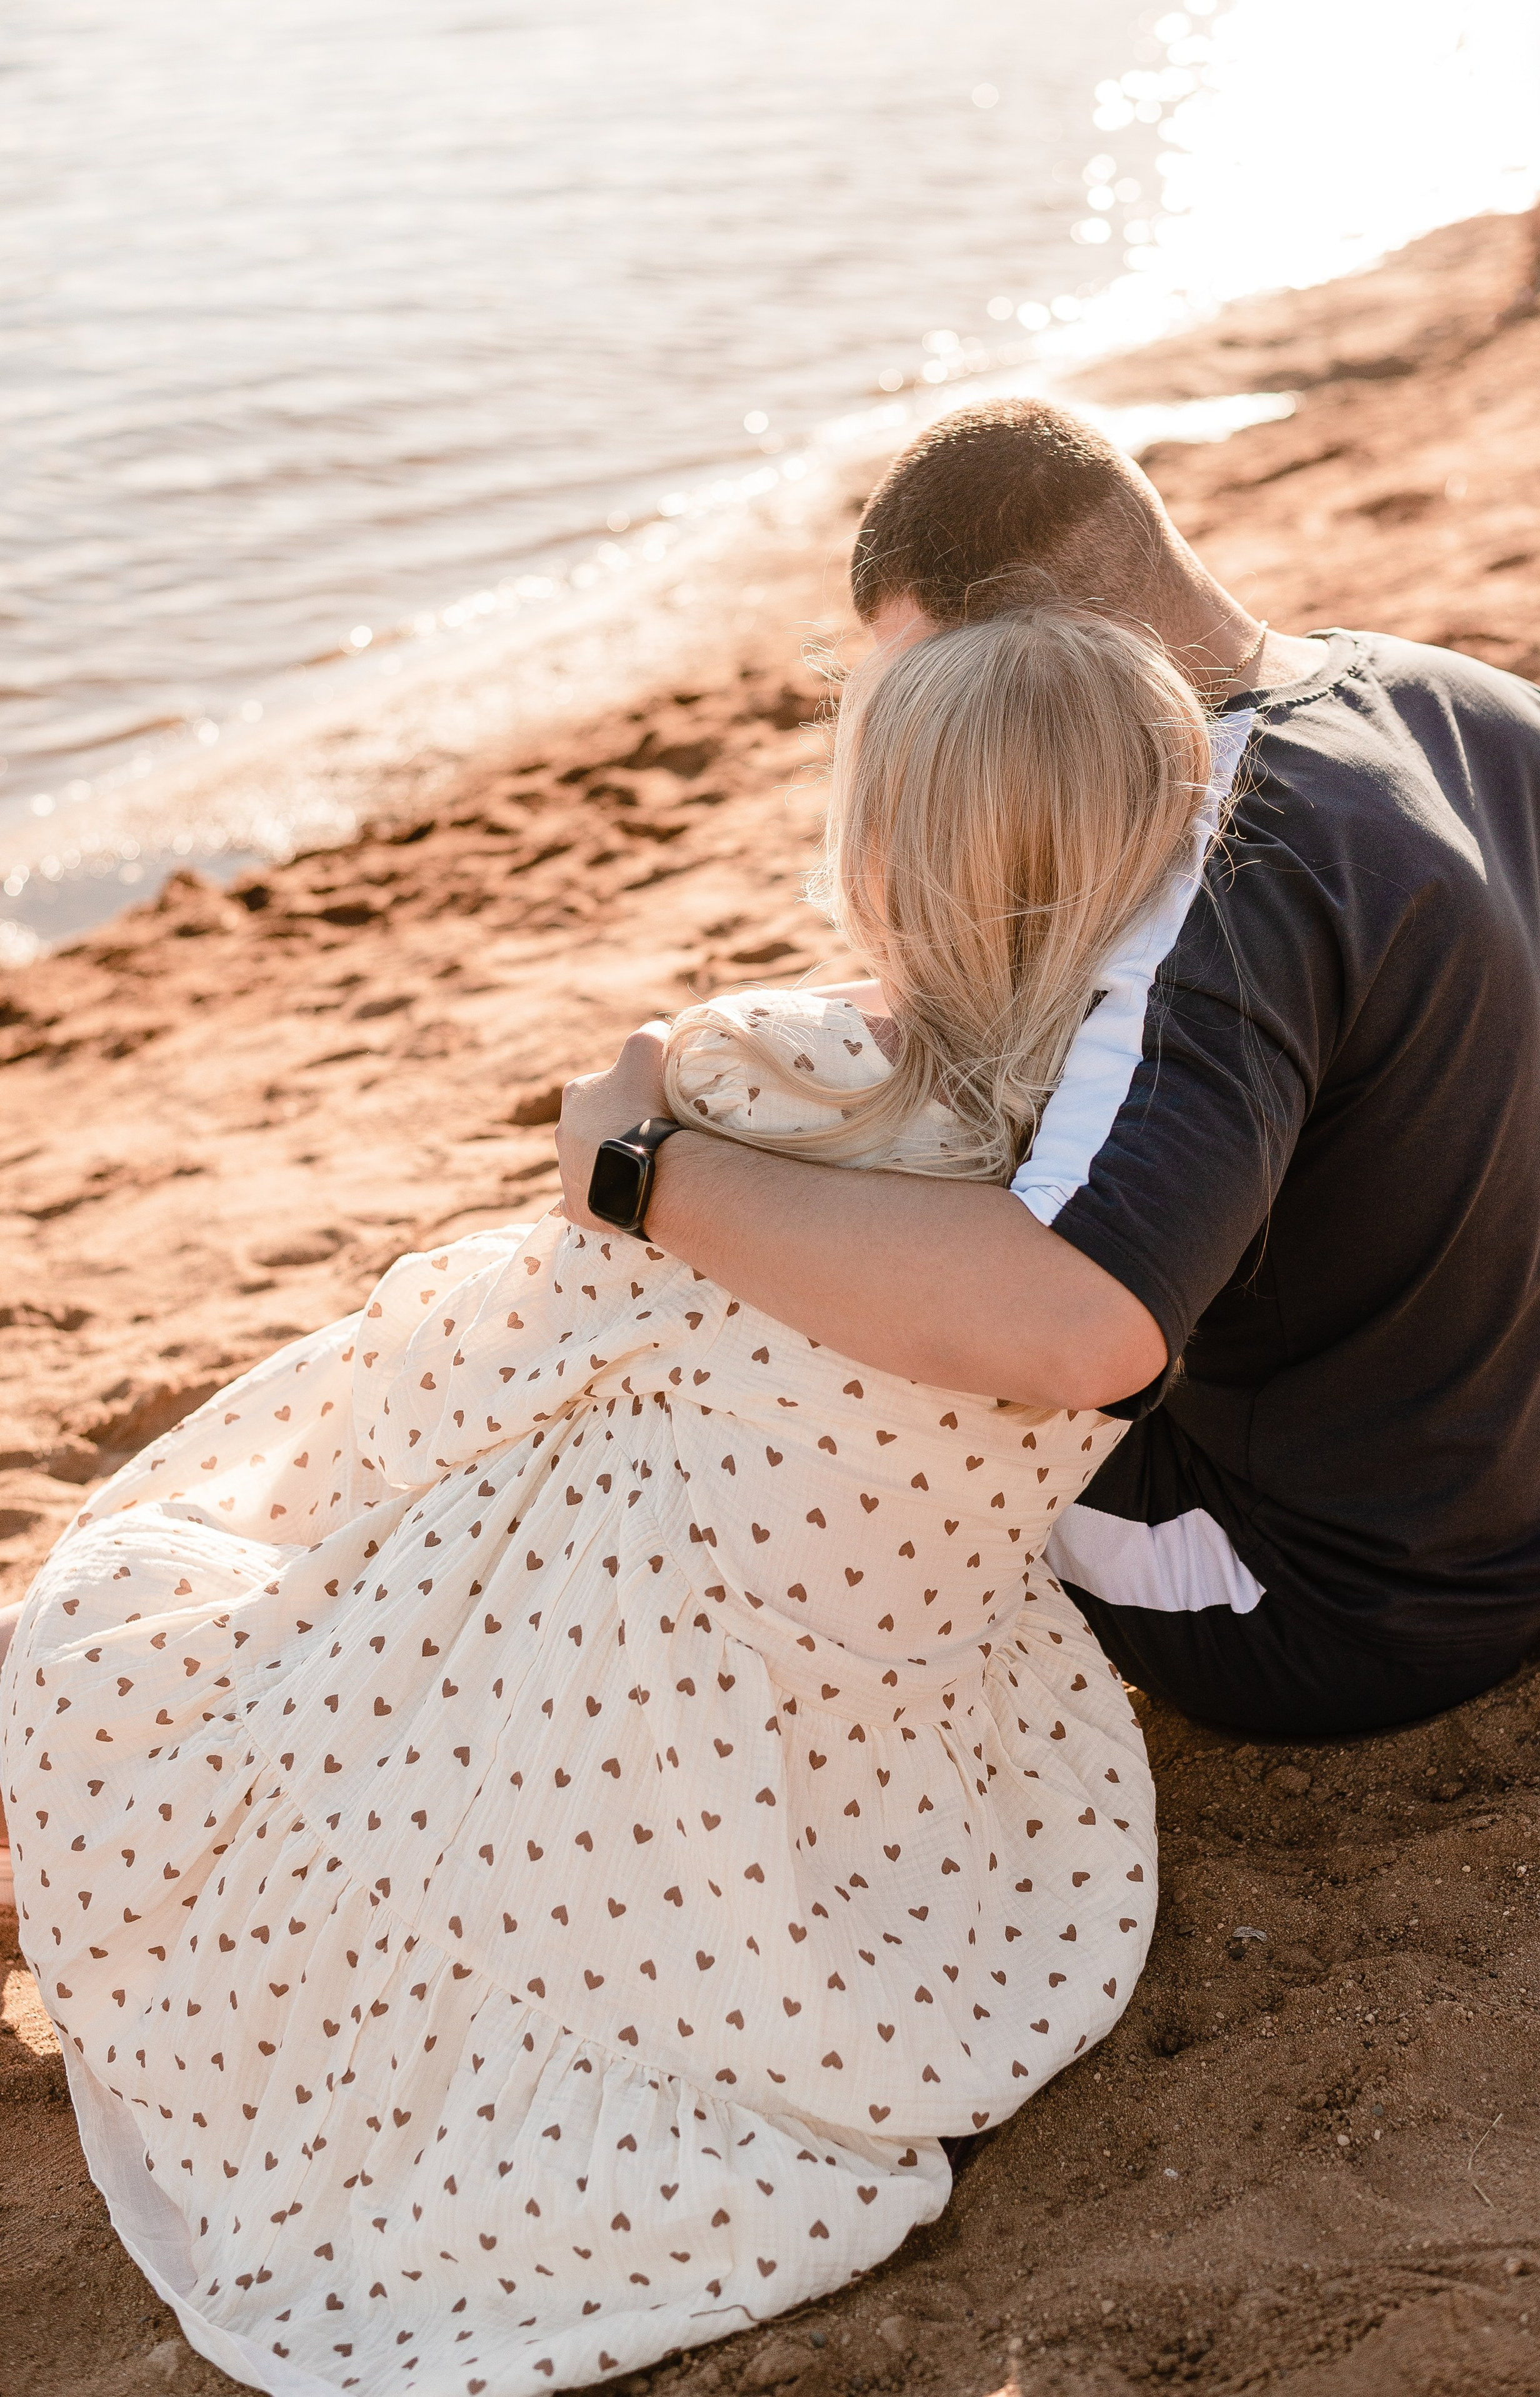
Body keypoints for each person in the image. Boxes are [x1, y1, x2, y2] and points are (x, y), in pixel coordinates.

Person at [2, 606, 1215, 2396]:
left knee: (137, 1623)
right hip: (872, 1716)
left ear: (882, 844)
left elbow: (498, 1353)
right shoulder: (1129, 1165)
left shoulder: (770, 1081)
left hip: (628, 1674)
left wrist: (645, 1105)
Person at [558, 397, 1540, 1742]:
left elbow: (1081, 1324)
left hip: (1332, 1597)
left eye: (922, 682)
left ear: (1012, 654)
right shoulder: (1470, 704)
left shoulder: (1217, 861)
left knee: (749, 1344)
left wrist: (644, 1177)